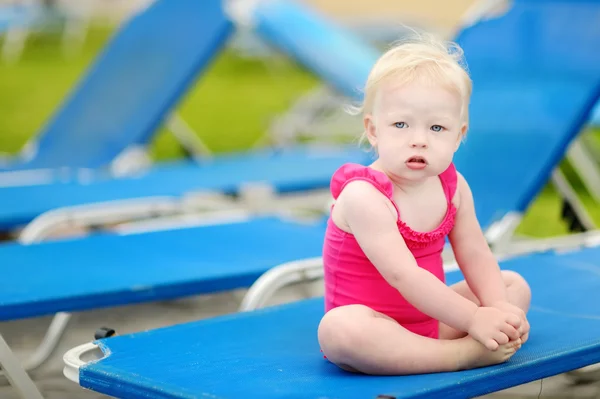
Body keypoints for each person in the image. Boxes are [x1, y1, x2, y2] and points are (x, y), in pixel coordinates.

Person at [317, 32, 531, 375]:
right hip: (377, 326)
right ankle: (462, 355)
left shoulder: (454, 186)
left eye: (437, 127)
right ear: (374, 130)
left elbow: (475, 252)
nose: (419, 140)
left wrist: (496, 312)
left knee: (512, 287)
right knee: (339, 330)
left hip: (434, 319)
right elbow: (404, 276)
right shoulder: (364, 196)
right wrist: (474, 318)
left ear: (459, 135)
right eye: (401, 124)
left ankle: (466, 343)